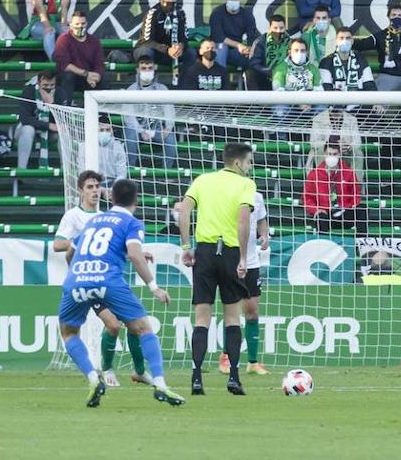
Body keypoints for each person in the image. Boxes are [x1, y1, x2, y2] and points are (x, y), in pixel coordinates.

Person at [58, 179, 185, 408]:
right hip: (108, 280)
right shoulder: (131, 222)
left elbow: (70, 253)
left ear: (111, 198)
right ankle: (159, 384)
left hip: (76, 280)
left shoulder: (93, 220)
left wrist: (78, 274)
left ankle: (93, 378)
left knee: (69, 333)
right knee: (143, 328)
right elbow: (136, 255)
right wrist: (154, 287)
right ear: (135, 200)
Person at [54, 170, 148, 388]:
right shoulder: (73, 216)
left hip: (104, 279)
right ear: (80, 191)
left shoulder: (104, 217)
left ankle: (134, 371)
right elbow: (57, 244)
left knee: (130, 325)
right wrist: (78, 246)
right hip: (85, 280)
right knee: (113, 325)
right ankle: (106, 370)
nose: (95, 191)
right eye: (90, 187)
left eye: (97, 186)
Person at [177, 142, 257, 396]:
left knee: (202, 318)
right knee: (232, 317)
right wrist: (243, 257)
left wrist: (186, 245)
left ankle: (196, 377)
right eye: (249, 162)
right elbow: (243, 219)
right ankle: (233, 377)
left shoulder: (202, 180)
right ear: (238, 163)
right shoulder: (246, 185)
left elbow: (184, 210)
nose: (250, 167)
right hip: (230, 252)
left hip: (205, 252)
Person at [217, 191, 269, 378]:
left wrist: (264, 235)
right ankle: (226, 357)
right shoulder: (227, 194)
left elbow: (262, 218)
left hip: (252, 261)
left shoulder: (257, 196)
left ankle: (253, 362)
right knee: (232, 311)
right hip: (231, 259)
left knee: (252, 310)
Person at [123, 57, 179, 170]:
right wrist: (141, 131)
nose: (147, 71)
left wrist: (168, 127)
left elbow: (169, 111)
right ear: (138, 70)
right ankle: (130, 173)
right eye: (143, 68)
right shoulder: (130, 90)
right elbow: (128, 116)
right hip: (136, 128)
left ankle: (166, 174)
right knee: (130, 139)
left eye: (150, 68)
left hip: (157, 127)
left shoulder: (162, 89)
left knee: (171, 143)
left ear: (154, 69)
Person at [304, 142, 362, 231]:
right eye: (329, 154)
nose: (332, 157)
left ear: (339, 154)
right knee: (321, 217)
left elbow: (356, 193)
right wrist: (315, 210)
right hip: (326, 213)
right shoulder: (314, 174)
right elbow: (307, 198)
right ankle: (323, 244)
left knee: (362, 210)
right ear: (324, 154)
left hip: (344, 212)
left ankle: (360, 243)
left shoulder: (349, 173)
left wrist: (353, 205)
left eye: (335, 154)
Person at [135, 0, 193, 71]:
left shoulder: (180, 13)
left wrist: (181, 46)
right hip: (155, 51)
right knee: (145, 52)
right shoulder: (153, 13)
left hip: (172, 52)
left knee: (191, 53)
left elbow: (184, 37)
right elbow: (146, 41)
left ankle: (187, 82)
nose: (171, 1)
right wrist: (167, 49)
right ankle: (145, 82)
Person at [54, 9, 103, 106]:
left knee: (104, 80)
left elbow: (99, 64)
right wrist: (86, 74)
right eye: (77, 24)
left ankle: (102, 116)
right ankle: (65, 111)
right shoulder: (63, 39)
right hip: (70, 78)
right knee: (68, 76)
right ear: (70, 25)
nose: (80, 26)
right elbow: (65, 65)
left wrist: (96, 77)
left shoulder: (94, 41)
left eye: (83, 23)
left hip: (87, 79)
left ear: (87, 24)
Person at [208, 0, 259, 70]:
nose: (233, 1)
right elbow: (218, 37)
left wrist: (249, 49)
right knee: (221, 48)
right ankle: (221, 80)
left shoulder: (246, 14)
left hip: (236, 51)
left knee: (255, 56)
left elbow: (252, 35)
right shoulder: (217, 13)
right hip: (218, 49)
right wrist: (238, 45)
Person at [14, 71, 57, 169]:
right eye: (45, 85)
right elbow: (25, 119)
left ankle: (66, 175)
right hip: (24, 131)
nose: (49, 88)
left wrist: (52, 104)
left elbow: (63, 118)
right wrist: (47, 125)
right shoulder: (28, 91)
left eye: (52, 85)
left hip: (49, 134)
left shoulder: (59, 92)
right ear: (38, 83)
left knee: (64, 132)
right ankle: (21, 170)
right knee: (28, 129)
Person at [320, 26, 375, 93]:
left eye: (348, 38)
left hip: (358, 101)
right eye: (341, 38)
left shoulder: (361, 60)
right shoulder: (326, 62)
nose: (345, 41)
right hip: (335, 101)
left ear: (352, 41)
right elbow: (326, 88)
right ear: (336, 41)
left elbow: (370, 86)